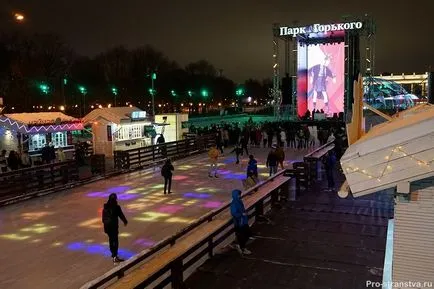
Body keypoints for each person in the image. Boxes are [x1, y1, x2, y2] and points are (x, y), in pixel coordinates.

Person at [102, 193, 128, 264]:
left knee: (111, 240)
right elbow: (121, 215)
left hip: (107, 227)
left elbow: (103, 219)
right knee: (115, 241)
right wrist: (125, 221)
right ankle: (115, 256)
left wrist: (106, 224)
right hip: (113, 227)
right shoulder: (116, 207)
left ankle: (113, 254)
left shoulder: (105, 208)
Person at [230, 189, 252, 255]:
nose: (240, 196)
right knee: (243, 236)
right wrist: (242, 214)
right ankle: (242, 248)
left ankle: (237, 244)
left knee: (247, 234)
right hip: (239, 223)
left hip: (243, 221)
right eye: (239, 195)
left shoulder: (239, 201)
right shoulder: (234, 203)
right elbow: (234, 213)